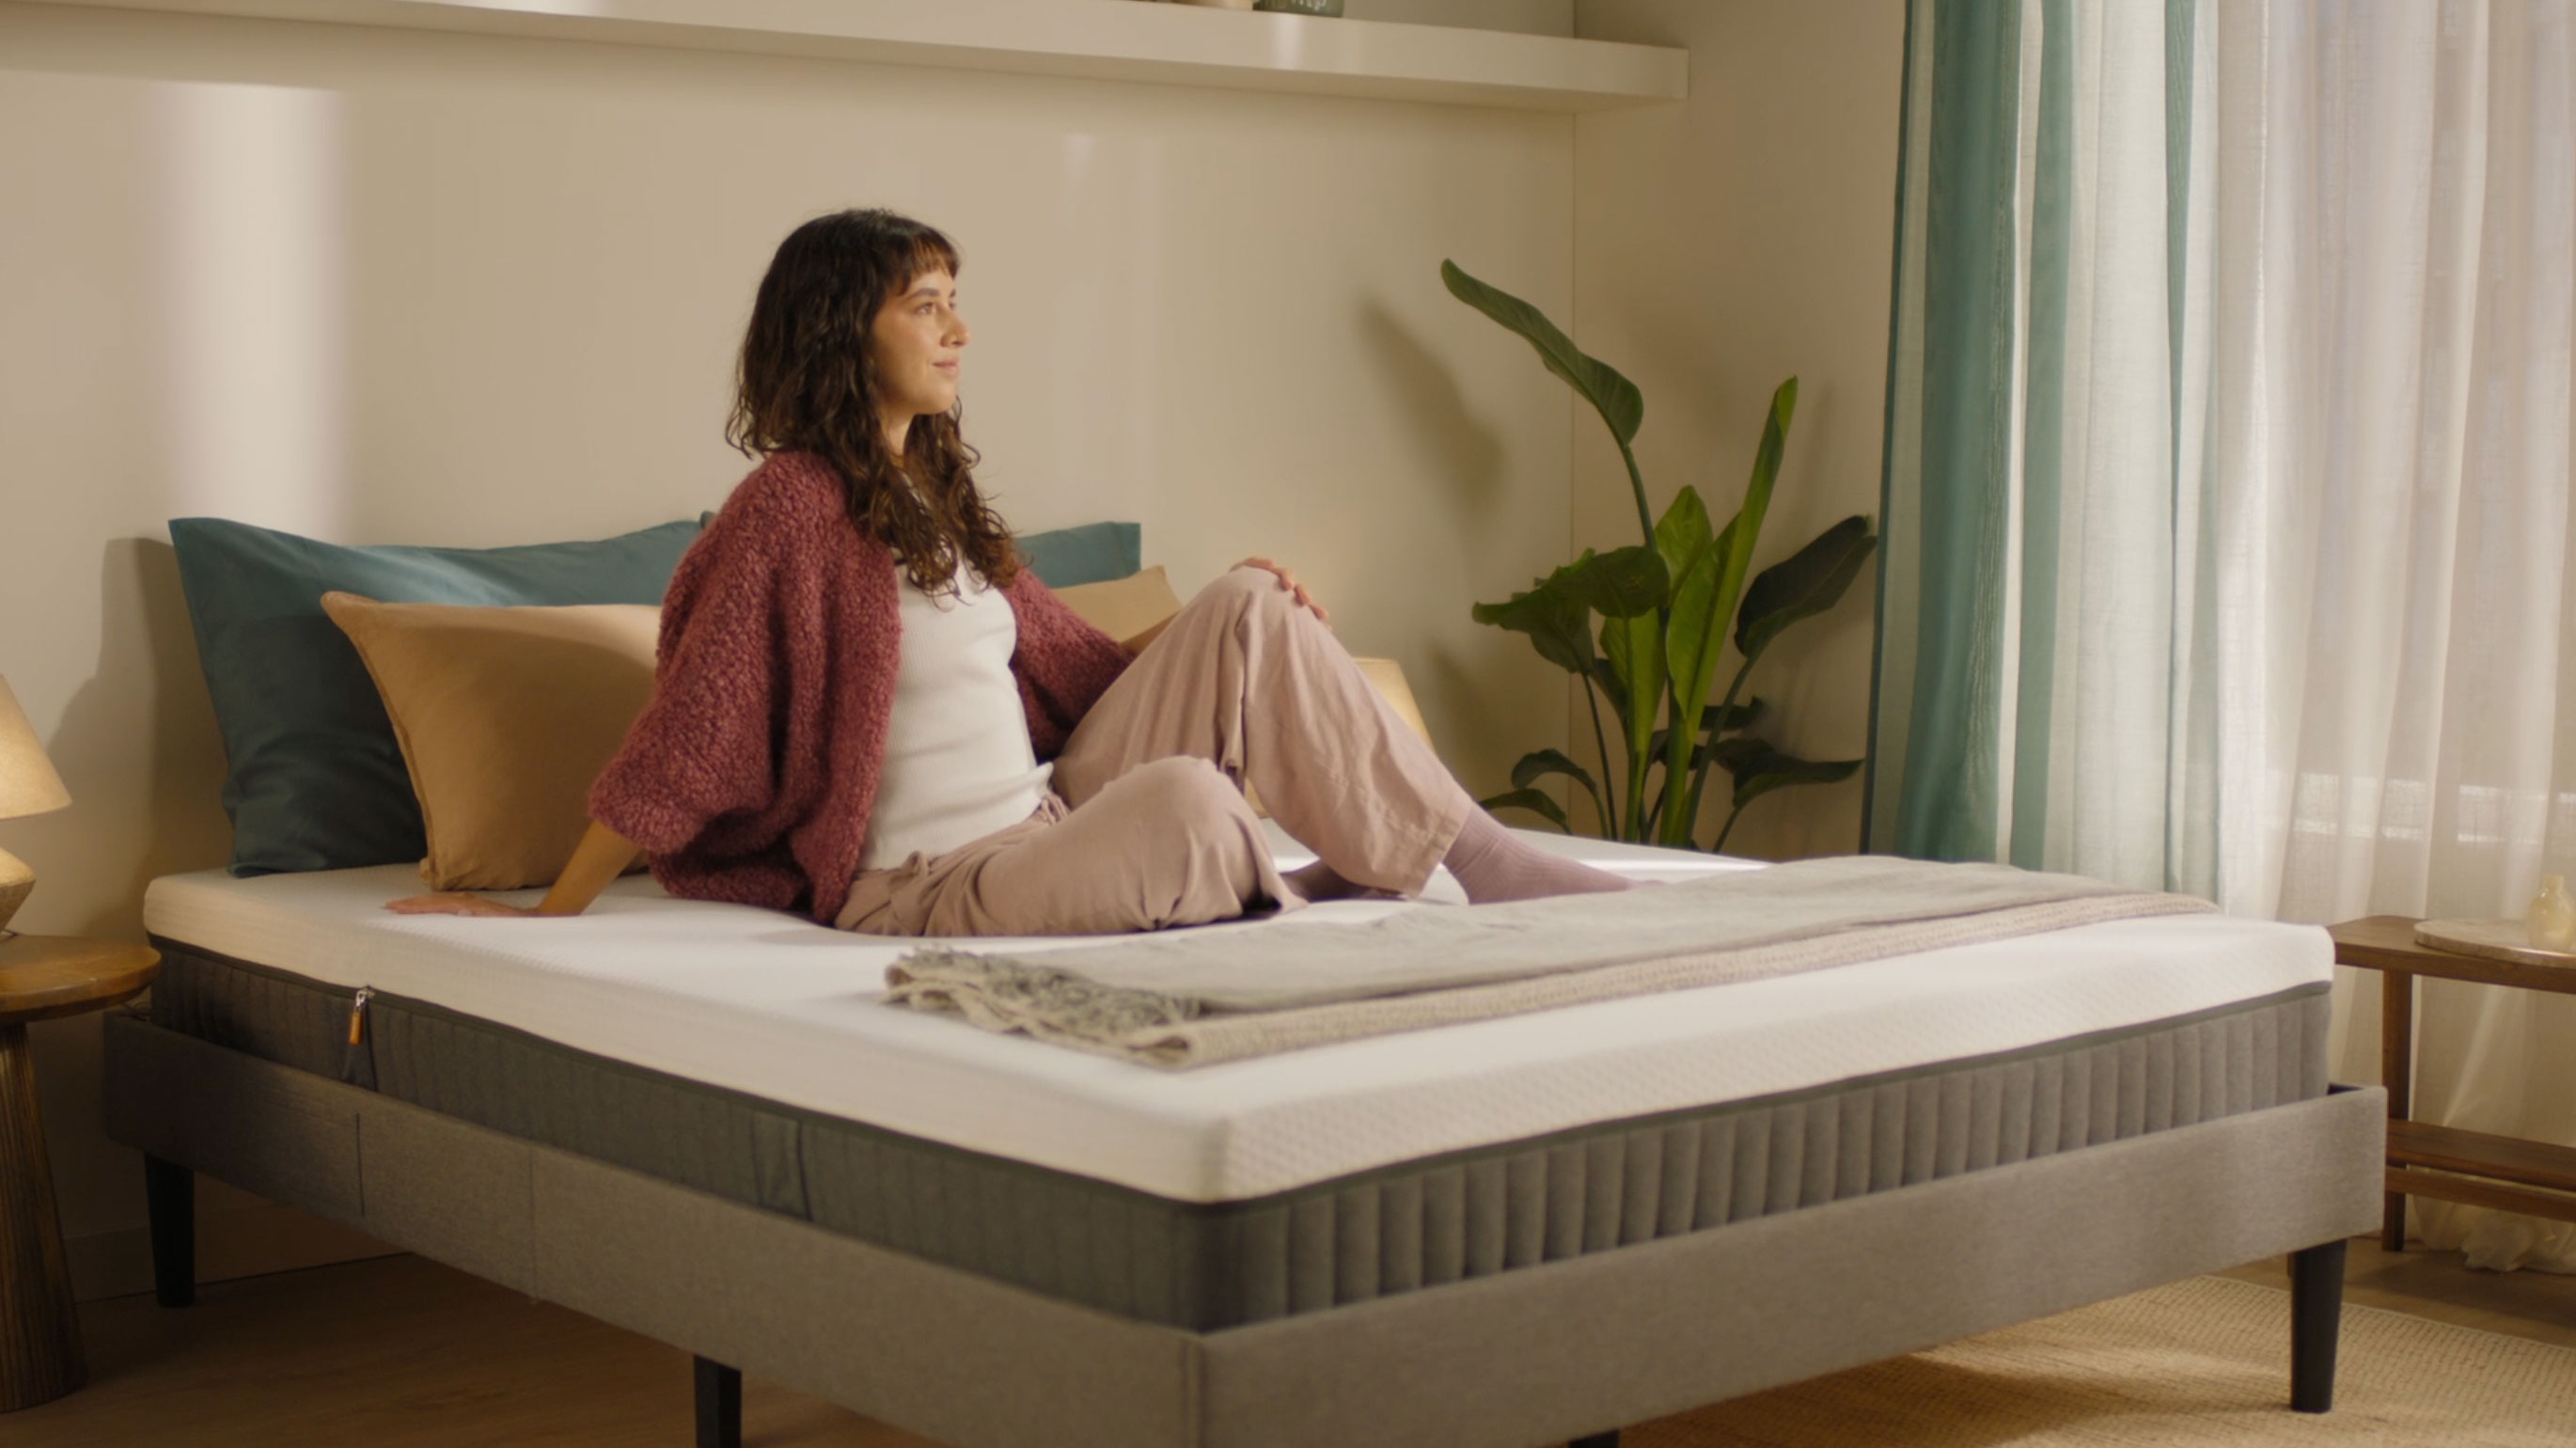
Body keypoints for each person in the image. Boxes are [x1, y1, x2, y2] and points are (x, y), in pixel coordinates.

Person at [392, 209, 1632, 934]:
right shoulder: (787, 508)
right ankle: (1337, 873)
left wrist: (1222, 619)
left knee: (1249, 603)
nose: (958, 330)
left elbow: (1070, 667)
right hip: (929, 886)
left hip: (1047, 818)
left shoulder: (934, 492)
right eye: (927, 305)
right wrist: (545, 914)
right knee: (1196, 803)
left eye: (953, 302)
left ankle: (1469, 853)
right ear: (843, 331)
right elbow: (691, 730)